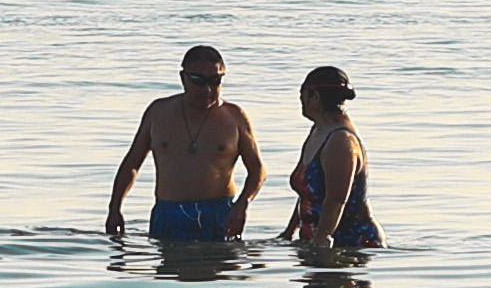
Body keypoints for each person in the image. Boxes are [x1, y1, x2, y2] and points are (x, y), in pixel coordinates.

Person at [105, 45, 259, 245]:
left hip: (218, 213)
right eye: (199, 81)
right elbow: (132, 164)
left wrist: (242, 204)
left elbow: (257, 170)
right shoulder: (158, 112)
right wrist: (114, 208)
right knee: (168, 274)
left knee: (219, 273)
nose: (207, 89)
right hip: (169, 212)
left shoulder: (235, 116)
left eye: (215, 81)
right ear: (183, 78)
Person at [283, 66, 381, 256]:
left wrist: (321, 241)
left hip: (350, 245)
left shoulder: (340, 141)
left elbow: (335, 200)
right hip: (315, 240)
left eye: (302, 94)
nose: (300, 101)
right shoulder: (318, 130)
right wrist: (288, 233)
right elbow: (308, 194)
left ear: (315, 97)